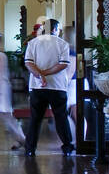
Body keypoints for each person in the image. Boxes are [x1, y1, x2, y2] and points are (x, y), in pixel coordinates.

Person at [24, 17, 74, 157]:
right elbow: (63, 64)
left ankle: (30, 148)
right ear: (55, 29)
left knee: (35, 118)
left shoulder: (33, 43)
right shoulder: (62, 44)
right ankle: (67, 146)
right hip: (57, 87)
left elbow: (28, 63)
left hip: (37, 87)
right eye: (58, 29)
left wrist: (40, 75)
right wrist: (45, 74)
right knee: (61, 117)